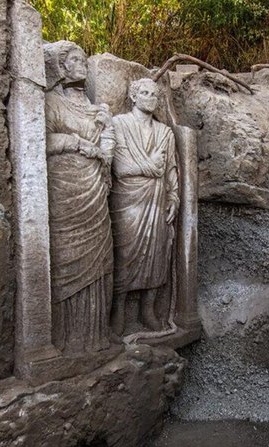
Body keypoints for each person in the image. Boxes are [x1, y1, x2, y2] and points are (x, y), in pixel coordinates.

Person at [43, 40, 114, 354]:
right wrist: (76, 141)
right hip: (66, 188)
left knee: (99, 257)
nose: (82, 63)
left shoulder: (96, 108)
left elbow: (109, 149)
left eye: (84, 58)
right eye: (75, 58)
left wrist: (106, 131)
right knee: (68, 256)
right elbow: (42, 140)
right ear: (61, 67)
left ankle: (95, 337)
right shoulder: (51, 103)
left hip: (96, 188)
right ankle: (66, 338)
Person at [102, 78, 179, 335]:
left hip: (157, 200)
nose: (151, 97)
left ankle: (148, 310)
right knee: (124, 254)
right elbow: (121, 169)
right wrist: (150, 167)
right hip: (127, 201)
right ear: (133, 96)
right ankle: (118, 311)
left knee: (157, 254)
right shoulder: (119, 124)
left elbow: (169, 170)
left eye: (154, 94)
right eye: (144, 93)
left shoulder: (165, 132)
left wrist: (174, 198)